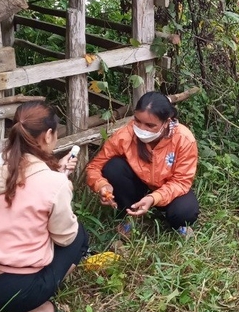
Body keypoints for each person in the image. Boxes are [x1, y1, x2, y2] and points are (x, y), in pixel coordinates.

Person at [0, 102, 89, 312]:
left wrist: (55, 173)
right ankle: (39, 307)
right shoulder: (53, 183)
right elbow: (65, 237)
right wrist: (59, 182)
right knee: (79, 234)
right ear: (49, 135)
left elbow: (21, 190)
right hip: (18, 291)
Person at [85, 91, 199, 237]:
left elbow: (181, 182)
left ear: (166, 122)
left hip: (169, 187)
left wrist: (153, 198)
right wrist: (102, 185)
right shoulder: (125, 134)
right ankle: (133, 214)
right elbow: (94, 167)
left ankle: (177, 225)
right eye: (137, 121)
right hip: (139, 185)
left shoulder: (184, 139)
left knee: (185, 212)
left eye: (150, 125)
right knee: (113, 167)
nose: (141, 129)